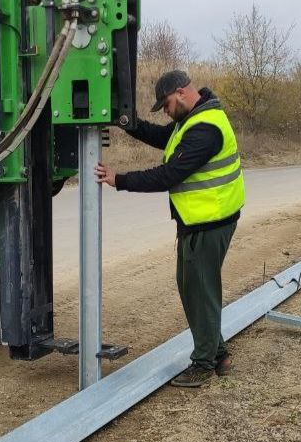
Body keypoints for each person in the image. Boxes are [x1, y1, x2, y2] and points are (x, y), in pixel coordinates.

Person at [95, 70, 244, 388]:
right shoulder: (193, 120)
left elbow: (168, 175)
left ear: (181, 92)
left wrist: (118, 180)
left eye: (166, 103)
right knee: (196, 289)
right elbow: (164, 137)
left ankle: (204, 364)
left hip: (208, 223)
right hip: (202, 221)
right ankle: (218, 354)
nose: (165, 110)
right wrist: (127, 123)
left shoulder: (205, 129)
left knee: (199, 291)